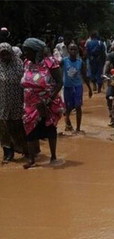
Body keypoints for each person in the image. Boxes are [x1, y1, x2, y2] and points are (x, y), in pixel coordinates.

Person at [21, 38, 65, 169]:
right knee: (29, 129)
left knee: (50, 128)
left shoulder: (50, 63)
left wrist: (48, 99)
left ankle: (53, 156)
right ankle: (32, 160)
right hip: (30, 104)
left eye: (27, 51)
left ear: (35, 51)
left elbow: (59, 82)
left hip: (47, 103)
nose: (25, 54)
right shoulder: (26, 63)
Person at [0, 42, 28, 163]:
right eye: (2, 54)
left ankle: (25, 150)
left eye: (6, 54)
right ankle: (8, 153)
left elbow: (26, 83)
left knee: (19, 127)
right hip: (3, 104)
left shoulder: (19, 65)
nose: (4, 56)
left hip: (18, 102)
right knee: (4, 129)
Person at [61, 43, 93, 133]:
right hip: (67, 87)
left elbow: (85, 76)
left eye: (75, 49)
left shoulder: (80, 62)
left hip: (77, 86)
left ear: (77, 51)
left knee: (78, 106)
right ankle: (68, 123)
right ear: (68, 50)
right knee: (68, 107)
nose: (73, 51)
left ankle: (78, 128)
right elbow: (56, 71)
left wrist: (89, 89)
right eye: (71, 49)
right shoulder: (64, 61)